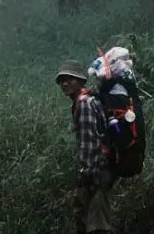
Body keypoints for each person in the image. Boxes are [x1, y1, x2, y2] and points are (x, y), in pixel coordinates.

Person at [56, 59, 115, 233]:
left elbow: (89, 145)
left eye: (70, 79)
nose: (65, 83)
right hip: (100, 172)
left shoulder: (84, 104)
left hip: (96, 175)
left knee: (97, 227)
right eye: (62, 80)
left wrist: (84, 180)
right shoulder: (89, 100)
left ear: (81, 80)